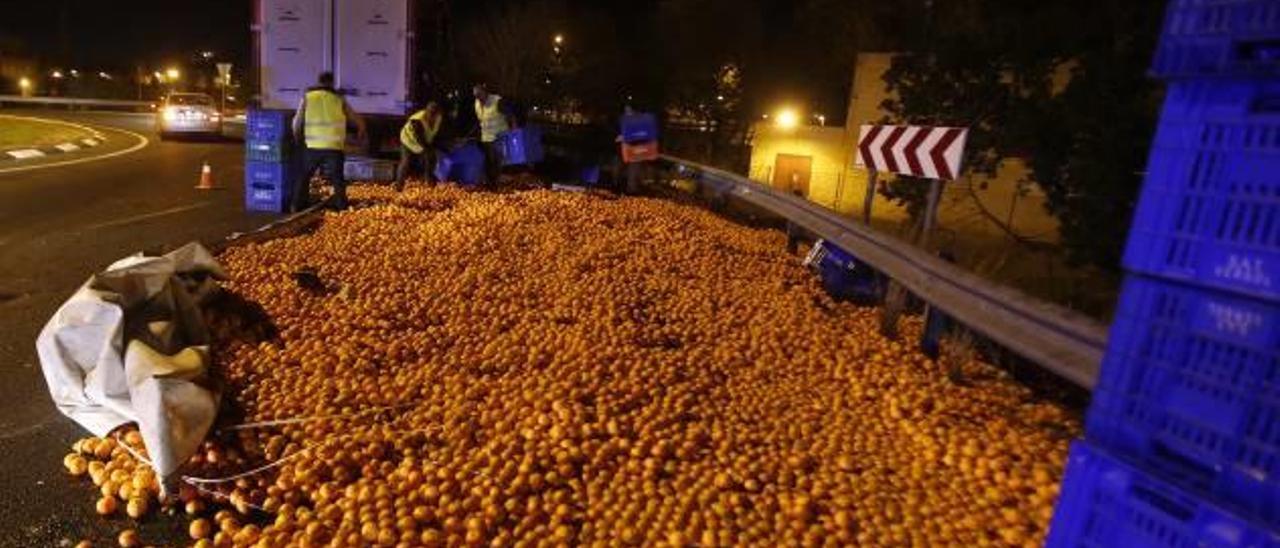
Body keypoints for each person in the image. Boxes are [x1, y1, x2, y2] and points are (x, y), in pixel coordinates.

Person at [292, 72, 365, 211]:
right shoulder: (339, 99)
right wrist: (361, 130)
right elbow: (356, 119)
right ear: (332, 83)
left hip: (313, 146)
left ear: (319, 82)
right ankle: (342, 207)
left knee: (304, 175)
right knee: (337, 179)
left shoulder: (308, 97)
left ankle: (296, 206)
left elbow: (297, 121)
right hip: (334, 148)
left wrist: (297, 138)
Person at [472, 83, 518, 187]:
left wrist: (514, 130)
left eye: (480, 95)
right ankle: (490, 183)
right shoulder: (477, 103)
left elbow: (510, 115)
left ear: (485, 92)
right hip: (486, 137)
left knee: (496, 161)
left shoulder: (497, 101)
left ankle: (493, 184)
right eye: (476, 96)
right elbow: (481, 119)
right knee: (488, 162)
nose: (478, 98)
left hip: (499, 136)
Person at [395, 101, 444, 191]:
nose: (432, 117)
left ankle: (429, 182)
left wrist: (436, 147)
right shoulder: (417, 120)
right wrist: (427, 150)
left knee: (431, 159)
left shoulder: (438, 118)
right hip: (408, 140)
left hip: (423, 140)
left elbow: (437, 133)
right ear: (426, 112)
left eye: (434, 115)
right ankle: (399, 186)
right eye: (430, 114)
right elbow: (420, 139)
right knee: (406, 162)